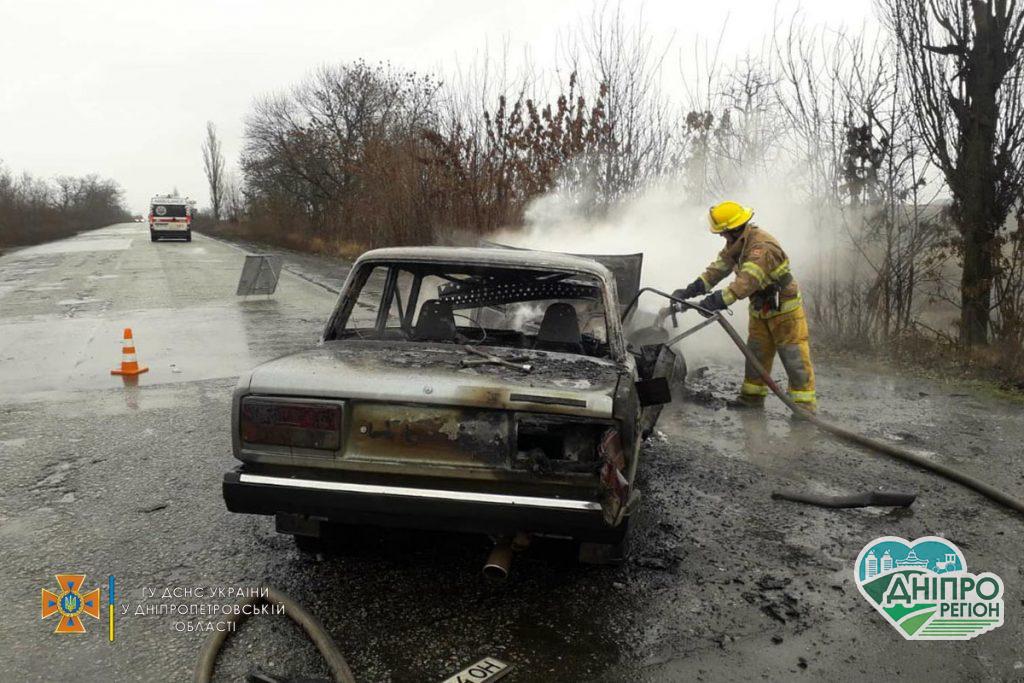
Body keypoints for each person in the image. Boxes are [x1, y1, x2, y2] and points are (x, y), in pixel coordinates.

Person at [673, 201, 816, 411]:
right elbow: (718, 269)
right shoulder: (738, 244)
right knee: (756, 355)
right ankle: (751, 400)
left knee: (793, 358)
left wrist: (717, 301)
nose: (722, 237)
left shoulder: (761, 248)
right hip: (761, 308)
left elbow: (746, 282)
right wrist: (690, 290)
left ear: (734, 229)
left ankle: (804, 408)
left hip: (784, 310)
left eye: (723, 233)